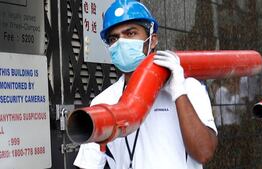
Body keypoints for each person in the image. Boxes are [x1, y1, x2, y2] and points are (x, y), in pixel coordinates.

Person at [73, 0, 218, 168]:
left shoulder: (189, 87)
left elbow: (204, 152)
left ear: (153, 40)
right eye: (114, 38)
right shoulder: (103, 102)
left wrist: (179, 92)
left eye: (130, 33)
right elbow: (87, 165)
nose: (121, 43)